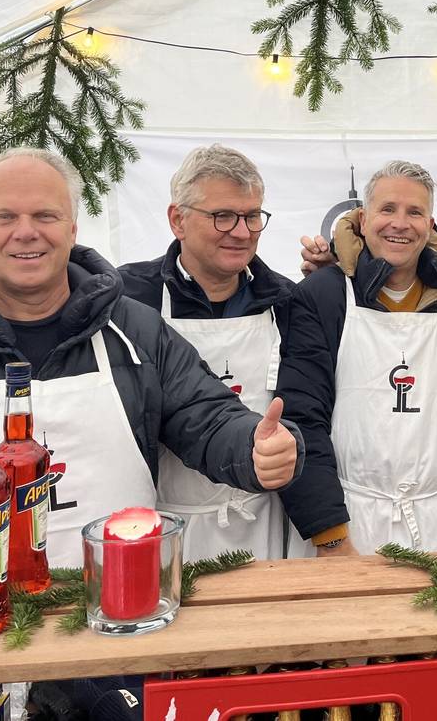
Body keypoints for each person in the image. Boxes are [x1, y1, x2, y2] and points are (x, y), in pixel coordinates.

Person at [0, 147, 300, 567]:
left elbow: (205, 413)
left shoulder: (133, 328)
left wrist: (253, 447)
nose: (26, 232)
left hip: (126, 602)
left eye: (45, 216)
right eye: (5, 217)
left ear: (73, 228)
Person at [281, 160, 437, 556]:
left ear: (430, 224)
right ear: (363, 216)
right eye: (387, 209)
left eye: (415, 212)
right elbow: (303, 420)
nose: (400, 224)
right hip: (350, 521)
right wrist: (329, 534)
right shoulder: (323, 295)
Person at [119, 144, 301, 561]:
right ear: (177, 220)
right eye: (223, 216)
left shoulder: (286, 303)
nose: (242, 231)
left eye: (252, 215)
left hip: (262, 519)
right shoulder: (130, 299)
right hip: (162, 524)